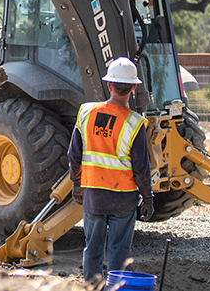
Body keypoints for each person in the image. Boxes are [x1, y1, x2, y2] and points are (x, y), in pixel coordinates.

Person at [67, 57, 154, 283]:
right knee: (119, 251)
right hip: (123, 198)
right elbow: (142, 168)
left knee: (92, 249)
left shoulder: (86, 112)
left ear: (109, 85)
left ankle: (91, 288)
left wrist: (77, 184)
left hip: (93, 194)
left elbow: (73, 155)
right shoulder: (135, 123)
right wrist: (148, 197)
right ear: (134, 87)